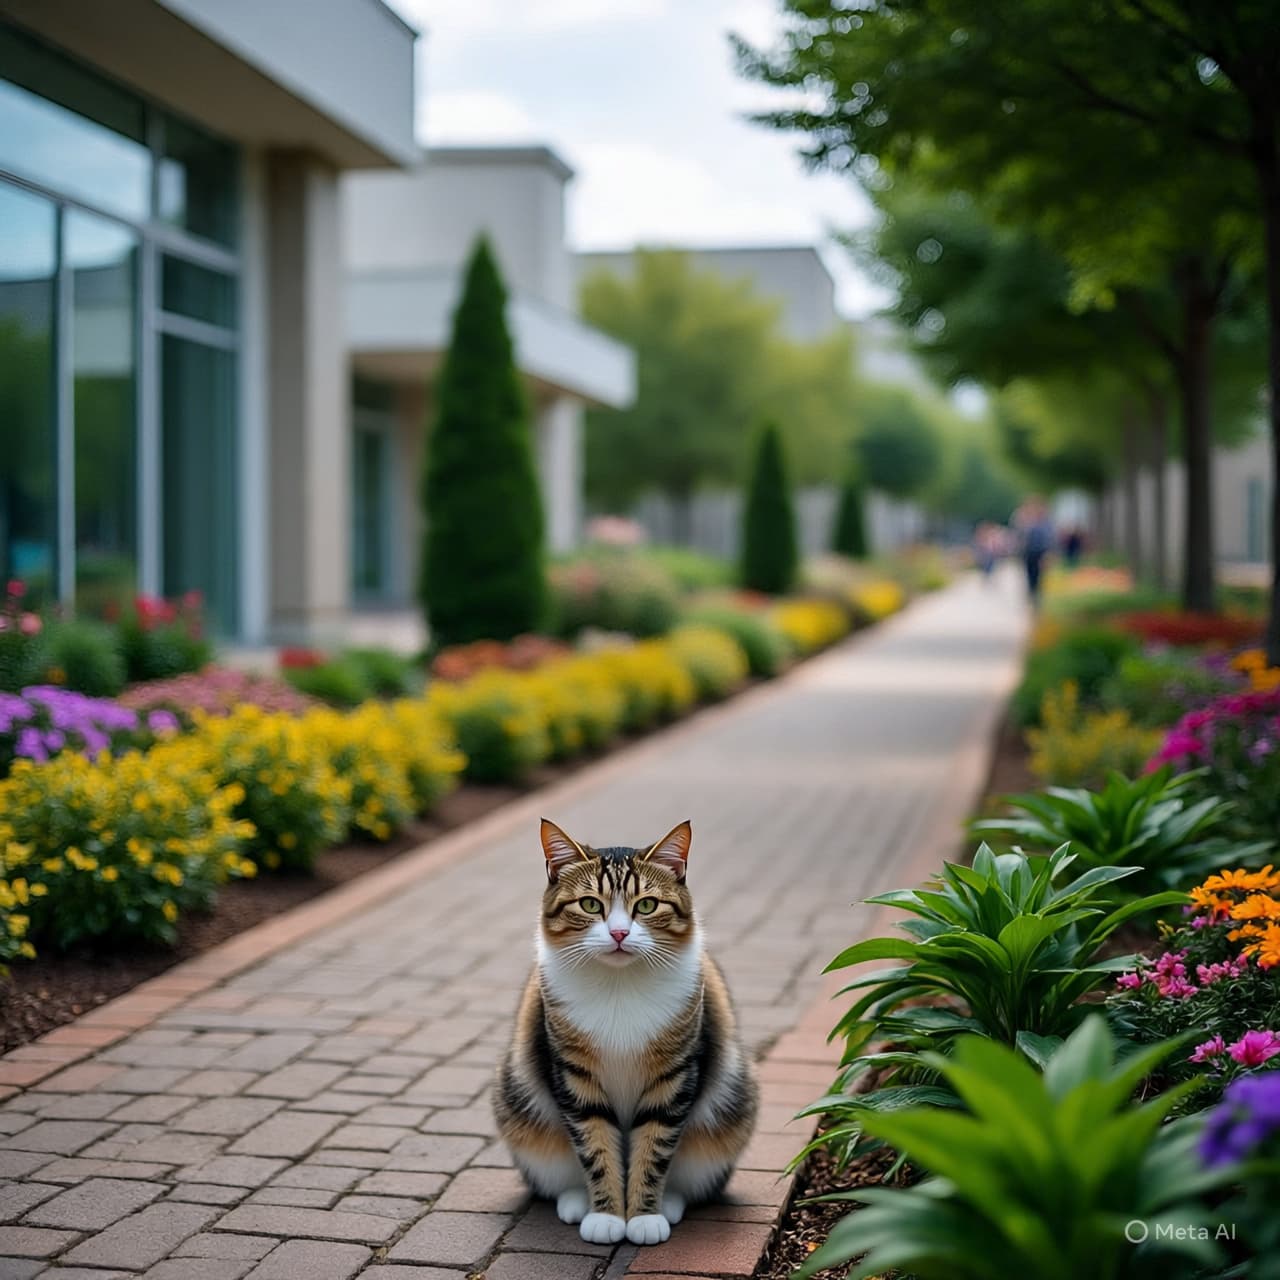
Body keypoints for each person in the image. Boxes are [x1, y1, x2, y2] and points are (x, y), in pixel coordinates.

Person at [1014, 498, 1055, 606]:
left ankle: (1037, 595)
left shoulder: (1045, 523)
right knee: (1029, 574)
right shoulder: (1025, 521)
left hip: (1040, 552)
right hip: (1028, 552)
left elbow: (1049, 539)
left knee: (1039, 575)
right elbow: (1020, 536)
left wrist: (1048, 553)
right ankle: (1032, 595)